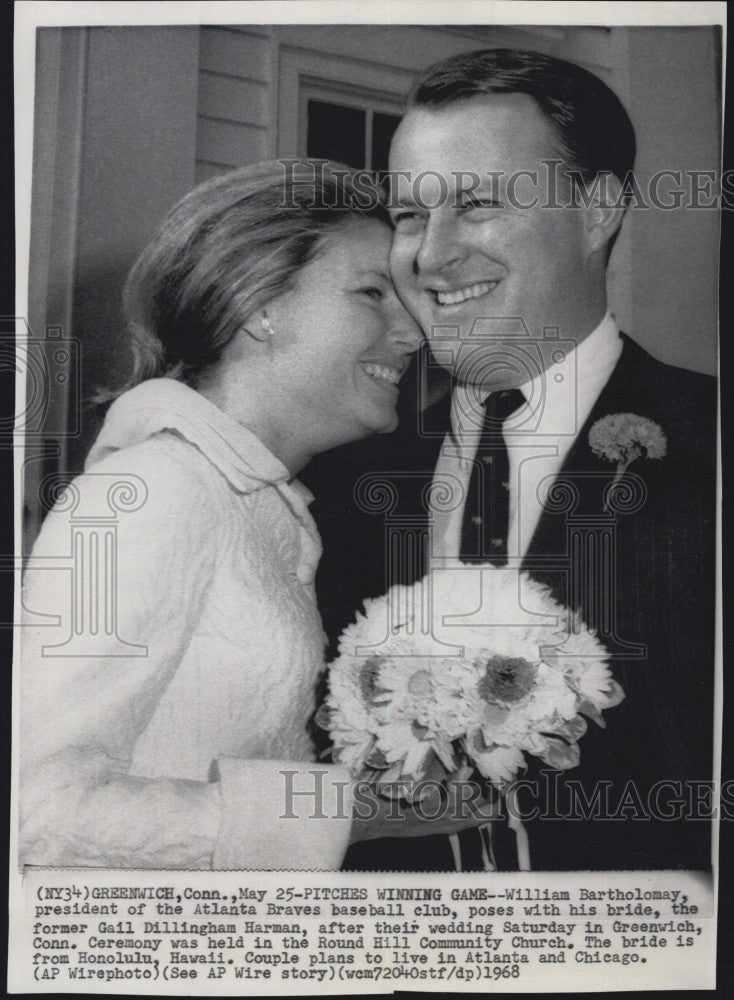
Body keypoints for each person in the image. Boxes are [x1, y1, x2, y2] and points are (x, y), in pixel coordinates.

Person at [305, 49, 716, 871]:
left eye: (479, 204)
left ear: (597, 211)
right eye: (411, 216)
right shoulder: (338, 479)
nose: (429, 256)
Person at [19, 161, 494, 870]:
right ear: (256, 306)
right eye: (373, 294)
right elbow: (33, 807)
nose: (413, 334)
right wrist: (349, 815)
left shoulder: (258, 501)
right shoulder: (152, 490)